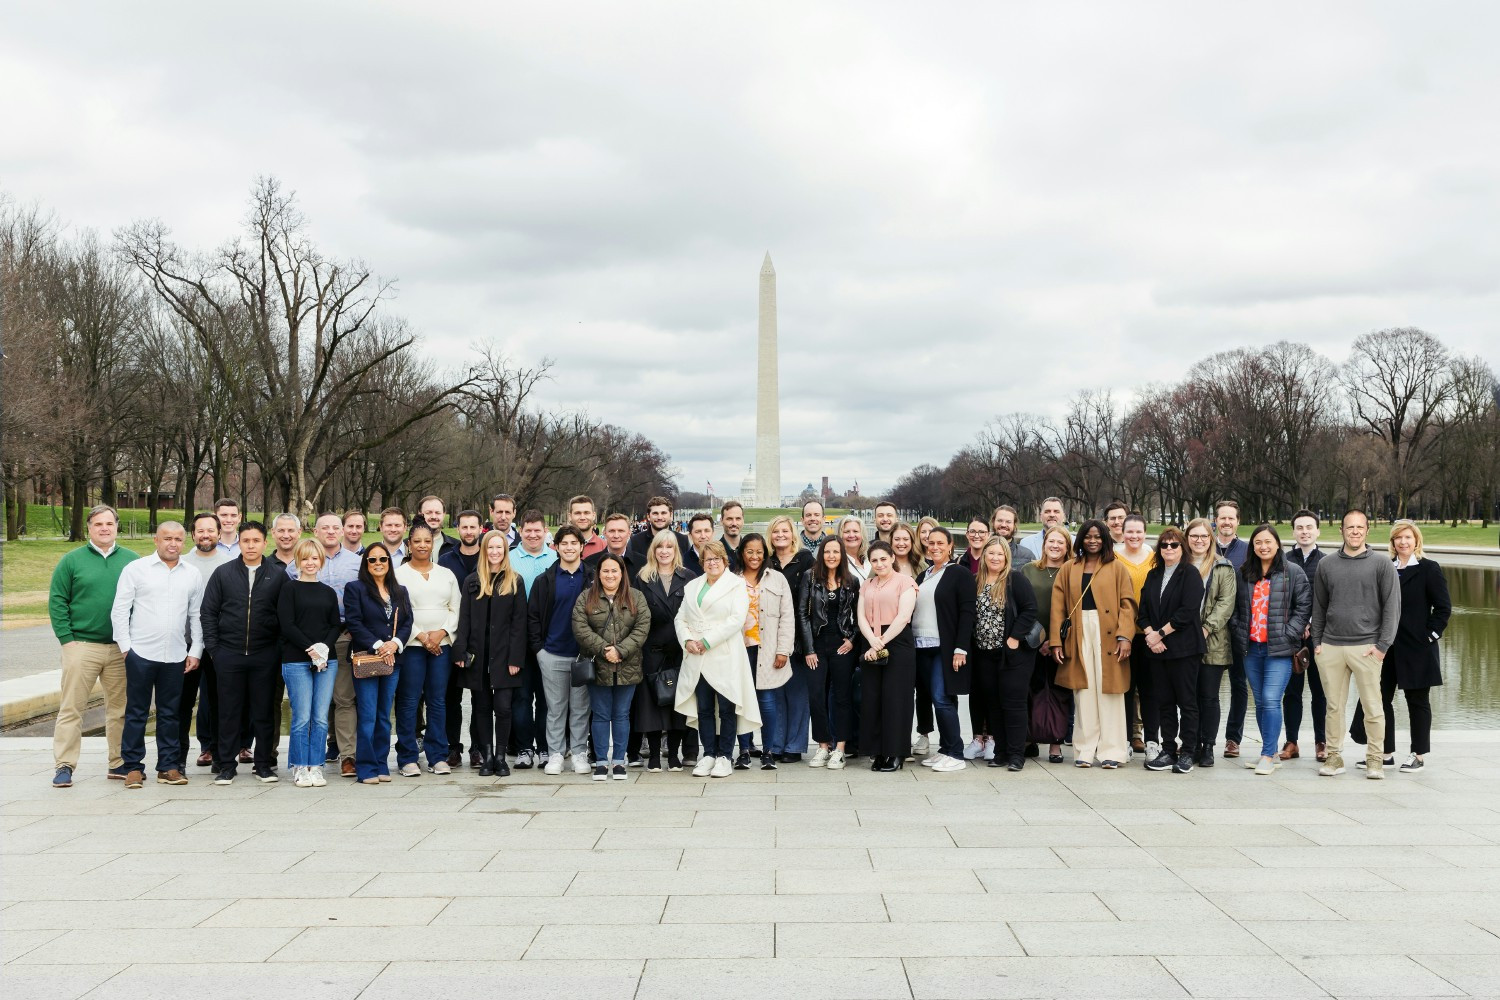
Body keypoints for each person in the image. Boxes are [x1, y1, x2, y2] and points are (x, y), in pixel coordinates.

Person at [1349, 521, 1450, 772]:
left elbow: (1443, 608)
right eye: (1398, 538)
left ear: (1416, 540)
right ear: (1392, 542)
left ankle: (1418, 755)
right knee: (1380, 699)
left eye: (1408, 537)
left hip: (1417, 648)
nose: (1403, 542)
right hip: (1386, 647)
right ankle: (1386, 753)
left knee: (1417, 701)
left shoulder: (1429, 569)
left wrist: (1429, 636)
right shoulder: (1385, 568)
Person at [110, 521, 203, 788]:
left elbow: (196, 615)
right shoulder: (136, 570)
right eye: (167, 538)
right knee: (137, 711)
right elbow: (120, 611)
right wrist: (126, 648)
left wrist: (195, 650)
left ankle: (168, 766)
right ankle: (133, 767)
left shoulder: (191, 573)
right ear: (156, 540)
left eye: (177, 539)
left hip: (175, 654)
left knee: (171, 713)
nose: (172, 543)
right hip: (141, 652)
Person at [1311, 509, 1401, 779]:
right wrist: (1317, 643)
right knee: (1333, 707)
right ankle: (1334, 757)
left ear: (1367, 530)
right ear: (1341, 530)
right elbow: (1319, 606)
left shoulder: (1381, 564)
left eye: (1360, 527)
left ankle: (1374, 759)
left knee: (1373, 707)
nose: (1355, 531)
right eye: (1349, 527)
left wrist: (1382, 646)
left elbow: (1392, 609)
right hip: (1331, 647)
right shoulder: (1326, 565)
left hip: (1367, 647)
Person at [202, 521, 286, 785]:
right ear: (239, 542)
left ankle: (263, 764)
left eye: (256, 541)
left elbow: (285, 616)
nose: (251, 545)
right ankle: (226, 765)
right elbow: (209, 612)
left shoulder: (278, 575)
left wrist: (276, 651)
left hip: (265, 655)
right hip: (229, 653)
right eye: (246, 540)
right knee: (229, 711)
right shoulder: (223, 573)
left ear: (264, 543)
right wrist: (215, 650)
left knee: (263, 711)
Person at [1050, 519, 1136, 769]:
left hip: (1109, 631)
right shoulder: (1069, 568)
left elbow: (1127, 604)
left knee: (1109, 691)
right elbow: (1058, 607)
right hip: (1078, 631)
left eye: (1098, 536)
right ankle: (1085, 749)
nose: (1093, 540)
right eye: (1088, 536)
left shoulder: (1116, 567)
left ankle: (1113, 751)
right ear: (1081, 539)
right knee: (1083, 691)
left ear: (1105, 539)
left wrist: (1125, 636)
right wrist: (1056, 641)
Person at [675, 541, 761, 778]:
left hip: (724, 653)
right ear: (701, 563)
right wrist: (687, 640)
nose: (711, 563)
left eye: (716, 559)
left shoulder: (736, 585)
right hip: (697, 655)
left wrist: (707, 641)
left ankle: (724, 755)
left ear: (725, 561)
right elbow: (680, 618)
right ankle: (709, 754)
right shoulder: (693, 586)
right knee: (703, 708)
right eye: (707, 560)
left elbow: (736, 620)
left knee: (726, 707)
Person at [1233, 524, 1312, 776]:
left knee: (1270, 699)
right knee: (1260, 702)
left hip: (1279, 649)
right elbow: (1233, 607)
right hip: (1251, 648)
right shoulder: (1244, 572)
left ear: (1277, 544)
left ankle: (1267, 755)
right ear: (1252, 547)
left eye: (1268, 541)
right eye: (1258, 543)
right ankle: (1271, 753)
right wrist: (1238, 631)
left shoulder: (1293, 572)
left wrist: (1291, 632)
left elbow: (1304, 607)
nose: (1263, 546)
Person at [289, 513, 362, 779]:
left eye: (335, 527)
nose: (330, 532)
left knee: (342, 699)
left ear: (342, 531)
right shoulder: (291, 575)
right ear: (315, 531)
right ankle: (304, 762)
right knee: (308, 710)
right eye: (325, 528)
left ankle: (344, 757)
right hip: (301, 646)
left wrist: (328, 644)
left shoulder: (356, 563)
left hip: (340, 638)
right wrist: (310, 646)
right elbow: (288, 617)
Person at [452, 530, 529, 777]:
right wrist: (460, 650)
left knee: (503, 707)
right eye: (490, 548)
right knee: (481, 707)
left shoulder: (514, 581)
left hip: (505, 655)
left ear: (505, 551)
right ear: (484, 551)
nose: (495, 552)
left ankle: (500, 756)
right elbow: (463, 619)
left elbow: (519, 624)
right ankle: (486, 756)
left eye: (499, 548)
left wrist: (516, 658)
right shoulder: (472, 581)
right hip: (478, 655)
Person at [573, 553, 650, 780]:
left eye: (614, 570)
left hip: (628, 666)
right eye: (605, 571)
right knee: (600, 714)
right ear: (598, 574)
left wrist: (621, 650)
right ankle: (600, 761)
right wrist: (606, 649)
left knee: (621, 714)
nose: (610, 575)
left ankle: (618, 761)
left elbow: (642, 627)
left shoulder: (636, 597)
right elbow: (580, 628)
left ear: (622, 573)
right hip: (599, 665)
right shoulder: (586, 598)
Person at [393, 522, 461, 777]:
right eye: (417, 541)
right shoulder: (399, 575)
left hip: (441, 647)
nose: (422, 545)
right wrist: (420, 635)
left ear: (433, 544)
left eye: (427, 541)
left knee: (437, 700)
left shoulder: (446, 574)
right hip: (411, 646)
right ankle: (407, 757)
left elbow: (456, 608)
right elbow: (397, 612)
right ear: (409, 544)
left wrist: (442, 632)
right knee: (409, 700)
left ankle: (437, 755)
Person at [1136, 526, 1206, 774]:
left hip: (1184, 649)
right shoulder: (1153, 575)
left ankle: (1187, 752)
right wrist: (1150, 636)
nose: (1168, 549)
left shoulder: (1191, 574)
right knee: (1163, 702)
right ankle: (1168, 749)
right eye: (1164, 545)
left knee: (1187, 702)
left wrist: (1160, 633)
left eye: (1174, 545)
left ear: (1182, 548)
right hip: (1157, 650)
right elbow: (1142, 611)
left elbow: (1187, 612)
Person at [343, 543, 413, 784]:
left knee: (384, 715)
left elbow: (407, 622)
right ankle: (366, 767)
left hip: (393, 659)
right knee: (368, 715)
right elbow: (354, 622)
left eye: (383, 559)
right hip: (367, 657)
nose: (378, 563)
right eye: (372, 560)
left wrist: (394, 643)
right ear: (365, 563)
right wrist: (378, 646)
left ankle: (382, 764)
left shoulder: (400, 591)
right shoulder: (355, 589)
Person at [529, 525, 595, 777]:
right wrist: (539, 650)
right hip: (552, 653)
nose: (569, 547)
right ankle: (555, 753)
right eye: (564, 543)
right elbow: (533, 617)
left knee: (580, 708)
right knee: (555, 708)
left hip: (582, 655)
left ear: (581, 546)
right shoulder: (545, 580)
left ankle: (579, 752)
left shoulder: (591, 577)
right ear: (555, 547)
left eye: (573, 543)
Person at [969, 537, 1039, 771]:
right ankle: (1000, 752)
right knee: (993, 704)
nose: (995, 558)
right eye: (991, 554)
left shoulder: (1014, 579)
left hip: (1013, 655)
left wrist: (1013, 638)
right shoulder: (976, 581)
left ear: (1006, 557)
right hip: (984, 654)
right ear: (984, 556)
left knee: (1014, 704)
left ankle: (1017, 754)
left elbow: (1030, 609)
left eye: (1000, 554)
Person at [277, 539, 342, 788]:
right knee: (302, 717)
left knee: (321, 717)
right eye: (305, 559)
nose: (310, 563)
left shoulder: (328, 592)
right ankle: (299, 766)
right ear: (297, 561)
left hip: (327, 661)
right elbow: (288, 625)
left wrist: (324, 647)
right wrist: (311, 649)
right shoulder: (289, 589)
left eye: (314, 558)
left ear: (321, 560)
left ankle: (316, 765)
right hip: (296, 660)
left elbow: (335, 624)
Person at [913, 527, 975, 773]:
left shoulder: (959, 574)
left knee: (942, 698)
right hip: (921, 646)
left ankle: (956, 753)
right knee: (934, 698)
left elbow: (967, 613)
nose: (935, 547)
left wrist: (961, 648)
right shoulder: (923, 575)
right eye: (930, 543)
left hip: (944, 647)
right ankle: (945, 748)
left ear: (950, 546)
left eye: (940, 543)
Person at [797, 536, 860, 769]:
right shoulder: (810, 578)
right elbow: (802, 614)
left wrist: (852, 640)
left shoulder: (851, 581)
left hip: (841, 646)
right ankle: (823, 746)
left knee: (842, 697)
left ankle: (840, 748)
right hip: (816, 646)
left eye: (836, 552)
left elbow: (858, 615)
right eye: (827, 552)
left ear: (842, 555)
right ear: (821, 554)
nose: (831, 556)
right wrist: (809, 649)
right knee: (816, 696)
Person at [635, 530, 696, 771]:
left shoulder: (688, 576)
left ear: (675, 551)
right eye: (660, 547)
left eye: (669, 547)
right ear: (654, 550)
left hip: (681, 650)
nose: (664, 551)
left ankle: (673, 753)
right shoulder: (642, 577)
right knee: (651, 704)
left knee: (678, 704)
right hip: (652, 649)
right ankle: (652, 755)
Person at [857, 541, 918, 771]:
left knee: (896, 699)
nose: (879, 564)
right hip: (870, 639)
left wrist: (880, 641)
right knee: (873, 698)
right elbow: (861, 616)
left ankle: (896, 752)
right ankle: (878, 751)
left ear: (892, 558)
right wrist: (872, 641)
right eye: (874, 560)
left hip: (897, 641)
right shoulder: (867, 584)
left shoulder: (906, 583)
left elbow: (903, 617)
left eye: (883, 558)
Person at [739, 534, 796, 769]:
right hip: (740, 649)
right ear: (742, 552)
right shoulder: (732, 579)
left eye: (759, 551)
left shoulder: (777, 579)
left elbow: (787, 617)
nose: (755, 556)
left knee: (767, 701)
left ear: (765, 553)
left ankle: (768, 751)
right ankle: (743, 749)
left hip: (769, 650)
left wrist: (783, 650)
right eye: (749, 551)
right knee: (742, 700)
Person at [182, 512, 232, 770]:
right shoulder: (181, 562)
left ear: (219, 532)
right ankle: (179, 757)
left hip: (219, 644)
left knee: (218, 699)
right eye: (200, 531)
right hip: (186, 644)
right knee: (184, 702)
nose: (205, 535)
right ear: (193, 534)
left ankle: (218, 752)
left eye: (210, 530)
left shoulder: (230, 562)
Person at [1184, 517, 1235, 769]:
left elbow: (1225, 604)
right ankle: (1189, 744)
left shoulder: (1223, 567)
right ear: (1187, 538)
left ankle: (1208, 746)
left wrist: (1205, 628)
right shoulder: (1178, 564)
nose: (1199, 540)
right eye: (1194, 536)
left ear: (1211, 539)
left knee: (1208, 696)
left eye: (1204, 536)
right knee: (1187, 697)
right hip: (1182, 641)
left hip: (1212, 640)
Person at [510, 510, 558, 769]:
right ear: (521, 532)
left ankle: (545, 748)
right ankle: (524, 748)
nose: (532, 535)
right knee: (521, 697)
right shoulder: (510, 559)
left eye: (537, 530)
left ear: (545, 531)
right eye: (527, 530)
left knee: (547, 698)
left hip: (549, 638)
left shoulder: (556, 558)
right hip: (518, 638)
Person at [1022, 525, 1073, 763]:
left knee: (1059, 692)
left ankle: (1055, 743)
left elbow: (1073, 609)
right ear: (1044, 545)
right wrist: (1038, 637)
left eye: (1060, 542)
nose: (1055, 546)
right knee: (1030, 689)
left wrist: (1054, 640)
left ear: (1067, 547)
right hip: (1030, 640)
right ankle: (1029, 737)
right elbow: (1021, 604)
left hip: (1061, 642)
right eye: (1051, 541)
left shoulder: (1073, 571)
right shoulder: (1028, 570)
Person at [1282, 510, 1328, 762]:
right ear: (1294, 532)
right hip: (1291, 636)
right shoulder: (1284, 560)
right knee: (1292, 691)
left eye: (1309, 527)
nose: (1305, 532)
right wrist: (1297, 625)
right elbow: (1279, 599)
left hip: (1320, 636)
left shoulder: (1328, 561)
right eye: (1299, 527)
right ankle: (1291, 741)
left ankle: (1321, 742)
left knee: (1320, 691)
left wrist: (1310, 622)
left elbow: (1328, 600)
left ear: (1317, 531)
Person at [439, 510, 484, 768]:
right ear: (457, 528)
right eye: (464, 527)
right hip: (451, 635)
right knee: (450, 697)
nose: (469, 532)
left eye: (473, 527)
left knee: (480, 697)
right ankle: (453, 747)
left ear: (480, 529)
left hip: (480, 637)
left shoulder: (488, 557)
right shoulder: (446, 560)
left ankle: (477, 748)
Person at [1116, 514, 1157, 759]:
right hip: (1125, 634)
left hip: (1151, 634)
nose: (1134, 536)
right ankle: (1126, 740)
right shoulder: (1115, 558)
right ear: (1122, 533)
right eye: (1129, 532)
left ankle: (1152, 740)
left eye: (1138, 532)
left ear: (1144, 533)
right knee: (1126, 690)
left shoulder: (1154, 558)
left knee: (1150, 690)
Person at [1213, 499, 1250, 759]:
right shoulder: (1202, 545)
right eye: (1222, 518)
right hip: (1209, 628)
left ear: (1237, 521)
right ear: (1215, 520)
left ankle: (1232, 739)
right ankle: (1202, 735)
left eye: (1231, 518)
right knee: (1204, 686)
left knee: (1238, 684)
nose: (1226, 522)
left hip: (1238, 628)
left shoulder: (1248, 551)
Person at [629, 496, 691, 566]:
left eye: (663, 513)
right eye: (655, 513)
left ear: (671, 515)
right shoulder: (635, 541)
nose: (659, 517)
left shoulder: (683, 541)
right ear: (648, 516)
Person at [1020, 497, 1067, 562]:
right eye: (1047, 512)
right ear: (1040, 517)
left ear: (1063, 517)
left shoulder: (1075, 542)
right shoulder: (1026, 543)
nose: (1052, 515)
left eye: (1056, 512)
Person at [566, 495, 607, 559]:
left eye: (586, 513)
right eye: (578, 513)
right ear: (570, 516)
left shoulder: (605, 548)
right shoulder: (556, 549)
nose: (582, 518)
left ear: (593, 516)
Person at [837, 516, 871, 581]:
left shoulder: (870, 559)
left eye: (855, 531)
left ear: (862, 535)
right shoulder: (837, 563)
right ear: (840, 535)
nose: (851, 535)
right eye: (847, 532)